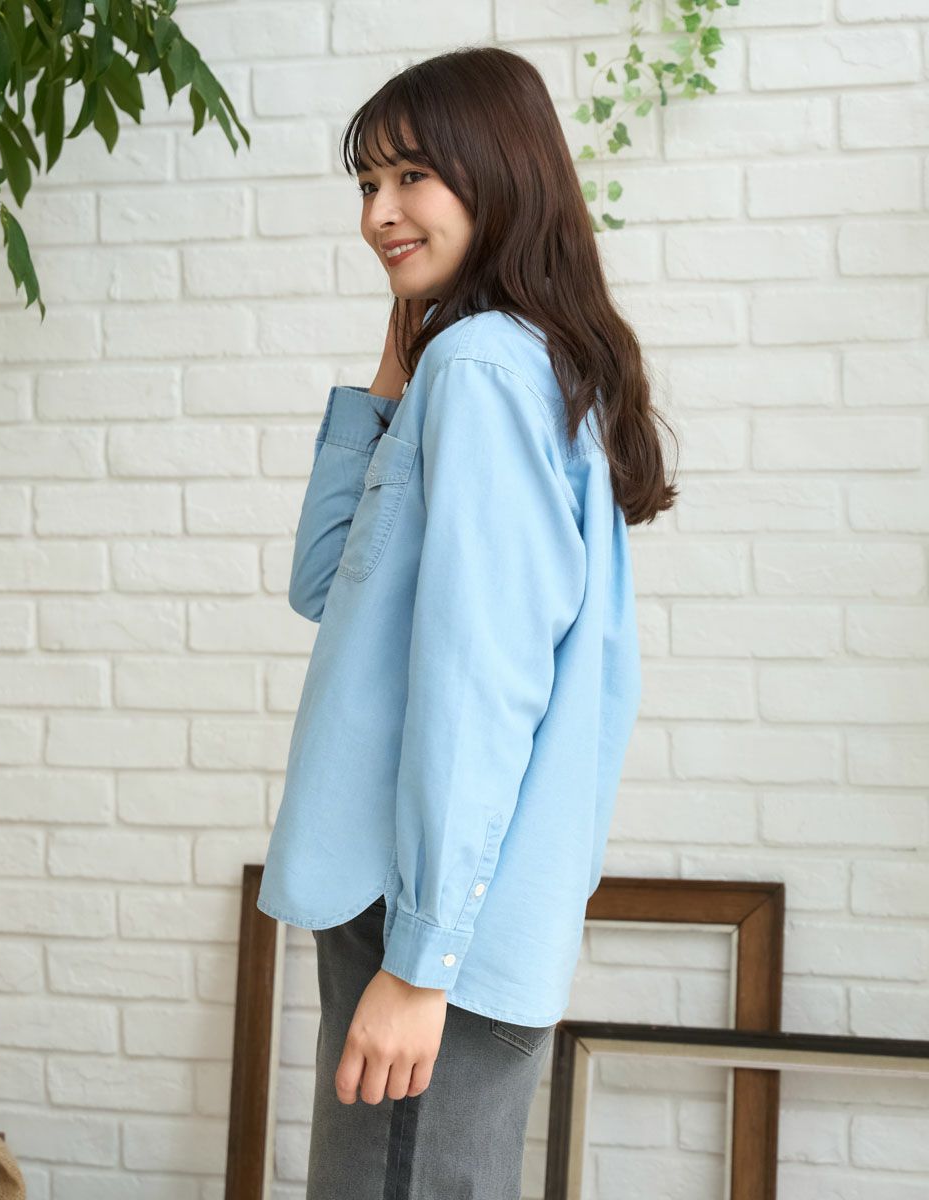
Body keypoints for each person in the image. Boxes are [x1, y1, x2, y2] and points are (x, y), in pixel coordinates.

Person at [257, 44, 679, 1200]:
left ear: (497, 174)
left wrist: (421, 959)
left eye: (412, 178)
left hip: (424, 917)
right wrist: (396, 363)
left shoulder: (485, 371)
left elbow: (482, 684)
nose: (378, 215)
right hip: (435, 908)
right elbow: (326, 583)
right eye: (367, 184)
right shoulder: (492, 360)